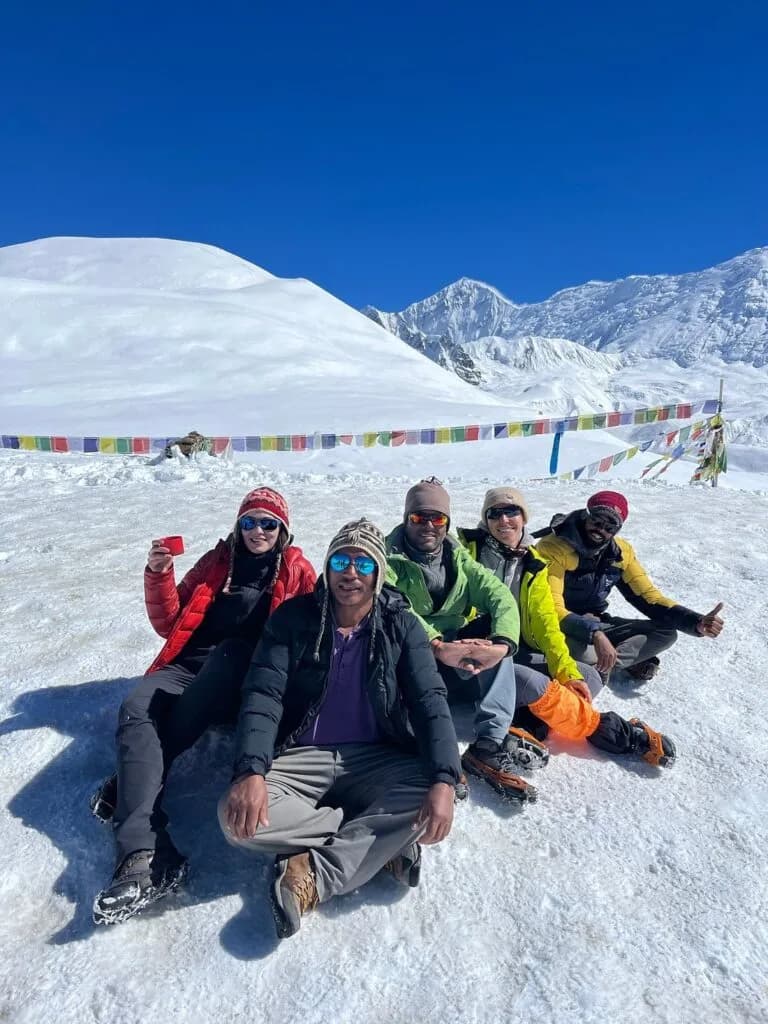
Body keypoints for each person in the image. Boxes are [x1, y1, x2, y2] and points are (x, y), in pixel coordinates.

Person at [219, 519, 460, 939]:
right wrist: (252, 772)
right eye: (342, 561)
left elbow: (429, 701)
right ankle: (379, 838)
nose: (351, 573)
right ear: (328, 568)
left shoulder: (402, 626)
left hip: (376, 757)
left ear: (378, 573)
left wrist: (443, 778)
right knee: (236, 819)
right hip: (300, 756)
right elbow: (263, 696)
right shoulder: (293, 619)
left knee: (434, 795)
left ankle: (308, 870)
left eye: (364, 564)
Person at [92, 486, 317, 926]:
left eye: (268, 523)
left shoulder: (297, 571)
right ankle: (144, 852)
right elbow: (170, 622)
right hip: (188, 667)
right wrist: (159, 575)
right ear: (238, 525)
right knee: (138, 706)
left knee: (230, 655)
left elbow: (312, 633)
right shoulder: (217, 562)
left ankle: (133, 779)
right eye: (249, 521)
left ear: (283, 530)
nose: (258, 531)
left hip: (241, 678)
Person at [387, 480, 678, 793]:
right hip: (446, 654)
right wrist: (450, 644)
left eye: (512, 512)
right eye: (495, 514)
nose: (503, 521)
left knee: (588, 677)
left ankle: (523, 731)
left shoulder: (525, 563)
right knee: (530, 681)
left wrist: (539, 657)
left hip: (486, 647)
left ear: (524, 517)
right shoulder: (462, 548)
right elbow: (397, 607)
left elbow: (537, 618)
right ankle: (596, 732)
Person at [535, 490, 724, 685]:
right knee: (587, 654)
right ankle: (604, 664)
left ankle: (602, 667)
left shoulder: (620, 553)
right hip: (555, 625)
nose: (601, 530)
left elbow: (648, 597)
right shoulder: (554, 547)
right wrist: (595, 634)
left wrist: (696, 621)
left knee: (666, 633)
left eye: (610, 527)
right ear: (586, 515)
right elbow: (549, 607)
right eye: (597, 521)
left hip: (595, 621)